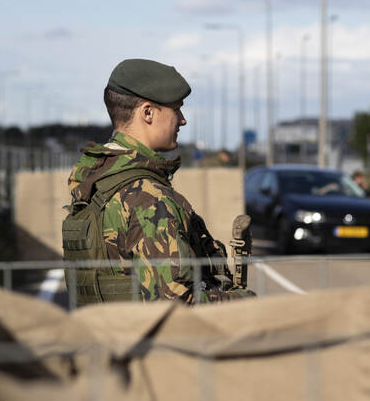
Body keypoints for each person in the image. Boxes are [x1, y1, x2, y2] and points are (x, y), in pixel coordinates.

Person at [63, 58, 253, 304]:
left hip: (103, 326)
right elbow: (175, 306)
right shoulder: (147, 198)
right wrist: (242, 301)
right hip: (150, 330)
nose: (182, 119)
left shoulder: (95, 179)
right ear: (148, 113)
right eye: (176, 109)